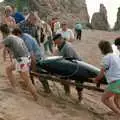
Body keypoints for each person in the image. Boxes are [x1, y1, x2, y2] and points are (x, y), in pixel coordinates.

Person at [0, 24, 38, 100]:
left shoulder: (8, 38)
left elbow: (1, 46)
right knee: (8, 69)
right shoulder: (16, 37)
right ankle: (14, 88)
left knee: (26, 79)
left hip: (21, 60)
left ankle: (35, 96)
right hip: (25, 58)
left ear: (2, 32)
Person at [12, 28, 51, 93]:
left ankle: (46, 89)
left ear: (18, 34)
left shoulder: (27, 40)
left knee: (37, 71)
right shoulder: (23, 36)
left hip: (37, 57)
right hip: (31, 56)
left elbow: (32, 56)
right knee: (26, 69)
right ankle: (31, 84)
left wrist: (33, 67)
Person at [53, 34, 83, 101]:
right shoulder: (58, 46)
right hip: (67, 65)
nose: (56, 44)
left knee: (79, 84)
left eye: (57, 42)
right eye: (55, 43)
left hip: (77, 66)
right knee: (63, 79)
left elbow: (70, 62)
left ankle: (80, 98)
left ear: (61, 39)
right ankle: (67, 92)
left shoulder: (68, 47)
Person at [93, 40, 120, 114]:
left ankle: (118, 113)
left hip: (115, 82)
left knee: (104, 99)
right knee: (116, 100)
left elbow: (102, 73)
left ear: (102, 49)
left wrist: (96, 79)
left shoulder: (106, 58)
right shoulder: (116, 56)